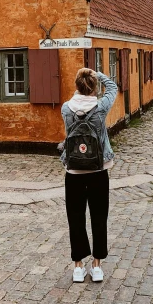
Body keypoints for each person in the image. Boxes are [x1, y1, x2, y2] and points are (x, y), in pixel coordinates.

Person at [61, 67, 118, 283]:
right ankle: (96, 266)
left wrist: (83, 78)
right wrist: (97, 73)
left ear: (76, 86)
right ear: (94, 87)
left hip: (74, 171)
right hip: (98, 169)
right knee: (98, 217)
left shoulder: (66, 109)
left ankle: (78, 267)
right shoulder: (100, 107)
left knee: (75, 218)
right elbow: (112, 86)